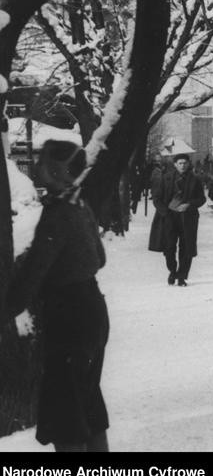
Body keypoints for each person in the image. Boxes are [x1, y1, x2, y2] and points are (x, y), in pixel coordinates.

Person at [7, 140, 110, 452]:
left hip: (69, 319)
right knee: (87, 400)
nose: (37, 167)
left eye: (43, 162)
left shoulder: (58, 213)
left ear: (56, 170)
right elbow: (100, 258)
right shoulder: (79, 204)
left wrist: (7, 308)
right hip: (93, 311)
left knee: (65, 410)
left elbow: (35, 272)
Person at [149, 153, 207, 286]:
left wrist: (189, 205)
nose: (183, 165)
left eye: (185, 163)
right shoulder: (166, 178)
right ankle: (172, 271)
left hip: (188, 217)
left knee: (186, 248)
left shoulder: (195, 179)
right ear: (175, 164)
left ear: (189, 164)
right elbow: (156, 198)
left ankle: (182, 276)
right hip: (169, 217)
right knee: (169, 247)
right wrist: (165, 211)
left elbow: (201, 198)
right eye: (180, 163)